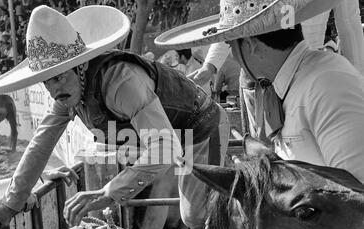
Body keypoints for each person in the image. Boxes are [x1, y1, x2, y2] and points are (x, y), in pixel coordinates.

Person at [0, 5, 230, 229]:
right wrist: (11, 203)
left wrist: (108, 192)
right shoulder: (67, 95)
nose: (54, 89)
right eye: (46, 81)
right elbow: (40, 143)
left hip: (200, 128)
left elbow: (165, 147)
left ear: (79, 66)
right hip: (163, 140)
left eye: (59, 77)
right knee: (176, 212)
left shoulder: (121, 82)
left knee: (196, 216)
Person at [156, 0, 364, 185]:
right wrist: (210, 66)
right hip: (284, 70)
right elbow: (237, 22)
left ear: (248, 45)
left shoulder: (330, 87)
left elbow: (355, 195)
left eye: (232, 46)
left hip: (292, 71)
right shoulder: (323, 81)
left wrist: (350, 83)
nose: (234, 58)